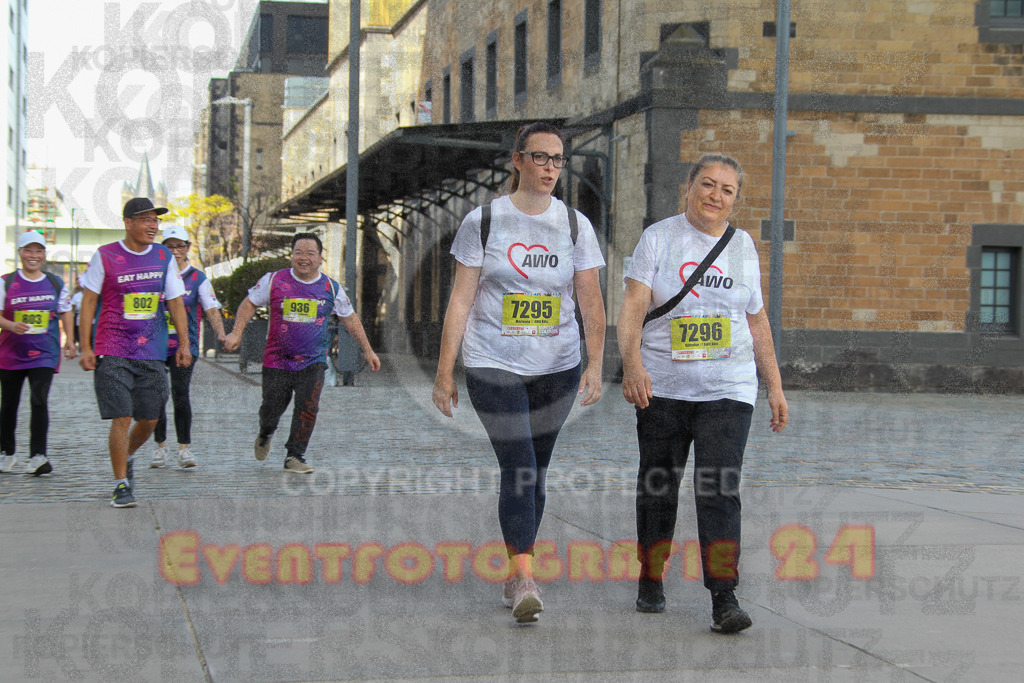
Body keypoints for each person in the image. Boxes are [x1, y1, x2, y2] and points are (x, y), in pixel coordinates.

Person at [431, 122, 606, 625]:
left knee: (537, 471)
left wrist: (595, 364)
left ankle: (514, 570)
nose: (550, 168)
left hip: (558, 366)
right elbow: (461, 300)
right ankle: (526, 577)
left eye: (558, 159)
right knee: (521, 465)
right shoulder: (484, 221)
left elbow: (591, 300)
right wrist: (445, 374)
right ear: (518, 160)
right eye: (541, 157)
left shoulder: (575, 226)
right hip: (493, 361)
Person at [617, 153, 788, 633]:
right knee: (659, 486)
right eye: (708, 184)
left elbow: (755, 319)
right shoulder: (658, 238)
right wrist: (632, 365)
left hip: (728, 388)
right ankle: (652, 576)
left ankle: (724, 596)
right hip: (664, 387)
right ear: (688, 188)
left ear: (736, 198)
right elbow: (632, 306)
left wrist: (773, 385)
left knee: (718, 488)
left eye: (727, 189)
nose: (716, 195)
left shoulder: (744, 247)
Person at [223, 233, 380, 473]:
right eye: (299, 252)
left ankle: (295, 455)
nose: (303, 258)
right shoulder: (274, 280)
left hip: (313, 361)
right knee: (271, 409)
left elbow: (350, 318)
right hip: (277, 361)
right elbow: (249, 303)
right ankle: (266, 433)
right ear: (292, 255)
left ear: (320, 259)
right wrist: (236, 333)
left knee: (308, 406)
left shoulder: (330, 287)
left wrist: (368, 350)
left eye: (310, 253)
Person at [79, 197, 192, 508]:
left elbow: (175, 302)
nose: (152, 226)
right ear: (128, 223)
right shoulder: (106, 255)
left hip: (152, 350)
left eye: (155, 220)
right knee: (122, 415)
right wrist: (86, 346)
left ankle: (126, 455)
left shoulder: (163, 256)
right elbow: (88, 301)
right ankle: (121, 483)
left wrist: (183, 344)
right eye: (145, 220)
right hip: (112, 347)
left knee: (150, 420)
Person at [150, 225, 227, 469]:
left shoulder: (197, 278)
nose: (175, 251)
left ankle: (184, 449)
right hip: (153, 346)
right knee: (156, 396)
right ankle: (161, 447)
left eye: (180, 246)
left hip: (184, 347)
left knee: (180, 393)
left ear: (188, 248)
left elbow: (211, 309)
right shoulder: (154, 275)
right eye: (169, 246)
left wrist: (223, 335)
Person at [0, 231, 77, 475]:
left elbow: (65, 311)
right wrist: (11, 325)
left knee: (39, 400)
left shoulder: (55, 283)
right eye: (28, 250)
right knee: (9, 404)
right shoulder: (6, 281)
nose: (34, 256)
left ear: (44, 254)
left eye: (39, 251)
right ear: (20, 253)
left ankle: (38, 456)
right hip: (11, 354)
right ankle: (6, 453)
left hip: (44, 353)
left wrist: (71, 342)